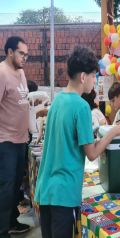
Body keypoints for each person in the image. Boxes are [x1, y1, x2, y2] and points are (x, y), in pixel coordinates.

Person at [34, 46, 120, 238]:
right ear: (83, 77)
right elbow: (92, 153)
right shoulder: (81, 107)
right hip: (64, 194)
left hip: (45, 190)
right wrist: (113, 132)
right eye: (94, 76)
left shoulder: (57, 102)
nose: (95, 81)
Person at [0, 36, 31, 237]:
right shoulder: (2, 73)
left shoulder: (20, 73)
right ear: (10, 52)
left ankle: (12, 221)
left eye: (26, 55)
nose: (25, 58)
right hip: (6, 141)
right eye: (21, 53)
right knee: (6, 188)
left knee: (16, 188)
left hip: (21, 140)